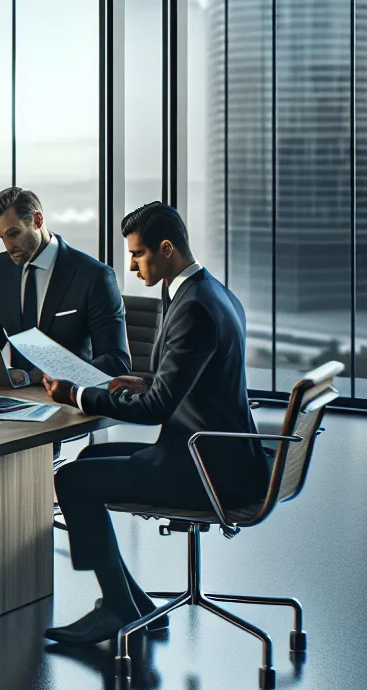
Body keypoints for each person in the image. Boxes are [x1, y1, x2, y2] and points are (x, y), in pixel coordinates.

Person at [39, 202, 265, 647]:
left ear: (166, 248)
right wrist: (145, 380)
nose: (131, 264)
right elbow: (195, 379)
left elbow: (158, 409)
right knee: (90, 456)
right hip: (224, 454)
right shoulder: (210, 292)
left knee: (72, 480)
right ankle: (132, 602)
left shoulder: (194, 307)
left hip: (205, 471)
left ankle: (117, 607)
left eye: (138, 254)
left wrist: (77, 394)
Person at [0, 186, 130, 386]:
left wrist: (60, 375)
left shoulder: (94, 276)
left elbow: (117, 361)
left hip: (72, 401)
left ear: (37, 221)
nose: (8, 246)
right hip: (16, 399)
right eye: (1, 238)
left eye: (13, 233)